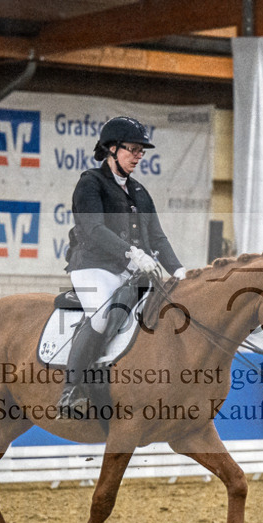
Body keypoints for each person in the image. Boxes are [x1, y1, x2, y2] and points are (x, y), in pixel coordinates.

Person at [58, 116, 187, 415]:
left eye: (141, 151)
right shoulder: (91, 183)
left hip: (131, 272)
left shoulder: (139, 192)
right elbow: (93, 229)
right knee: (102, 316)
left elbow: (157, 237)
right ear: (112, 149)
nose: (138, 156)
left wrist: (180, 271)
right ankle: (71, 391)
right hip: (93, 266)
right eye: (133, 149)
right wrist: (132, 253)